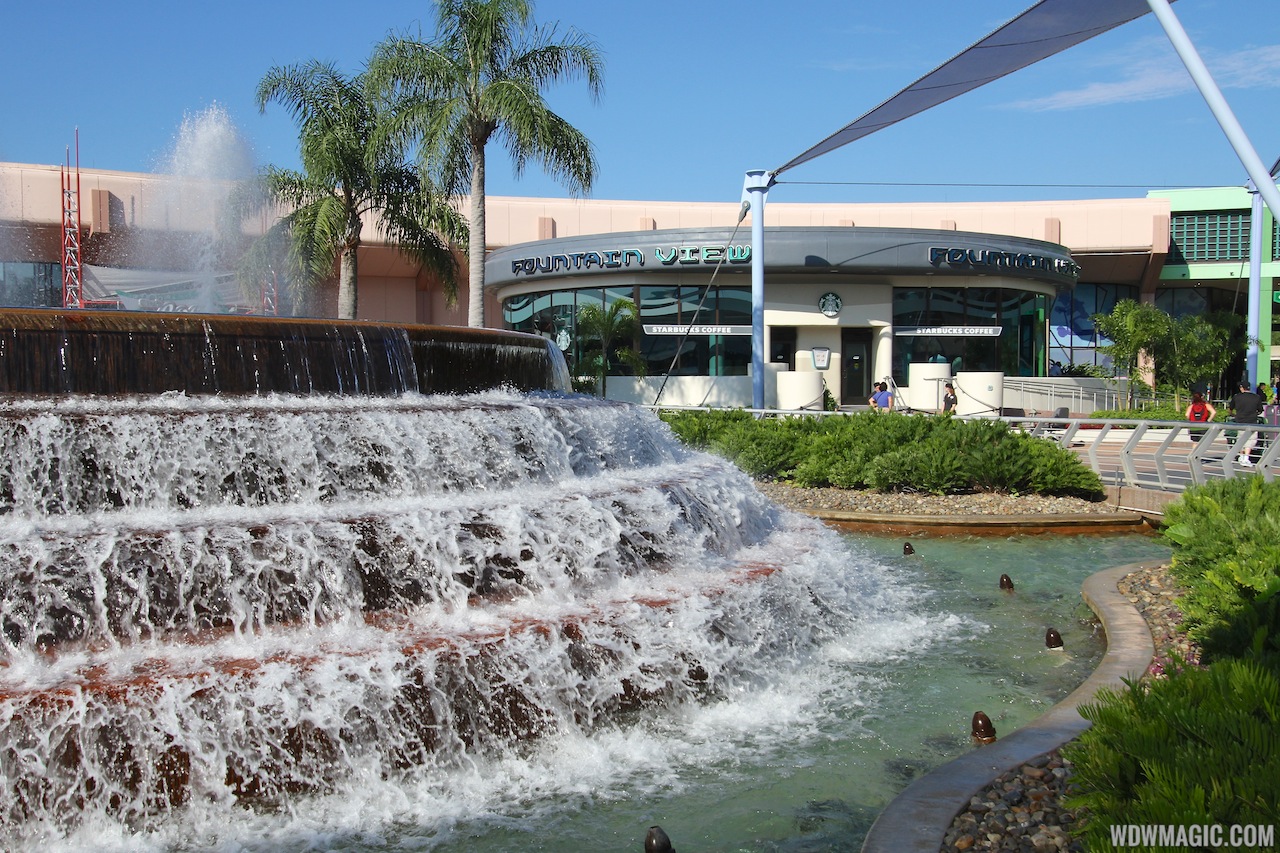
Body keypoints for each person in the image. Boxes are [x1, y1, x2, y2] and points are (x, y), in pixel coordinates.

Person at [1229, 381, 1264, 466]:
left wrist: (1234, 415)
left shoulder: (1236, 397)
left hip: (1240, 420)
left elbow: (1230, 409)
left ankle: (1241, 455)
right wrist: (1256, 414)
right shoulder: (1256, 397)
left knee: (1241, 438)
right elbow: (1260, 410)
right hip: (1252, 421)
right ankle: (1246, 457)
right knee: (1251, 439)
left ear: (1241, 388)